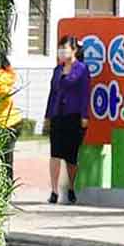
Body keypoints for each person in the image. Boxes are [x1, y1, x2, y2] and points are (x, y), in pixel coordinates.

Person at [44, 35, 90, 204]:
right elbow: (52, 93)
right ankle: (54, 191)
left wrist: (85, 115)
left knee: (71, 156)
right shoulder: (57, 70)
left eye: (65, 48)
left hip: (73, 115)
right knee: (55, 153)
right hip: (58, 115)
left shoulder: (82, 69)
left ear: (74, 50)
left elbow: (85, 94)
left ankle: (70, 187)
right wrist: (48, 115)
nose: (62, 52)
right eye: (60, 49)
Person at [0, 51, 22, 198]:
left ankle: (4, 191)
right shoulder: (8, 75)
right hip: (14, 121)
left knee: (1, 158)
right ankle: (6, 190)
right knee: (6, 158)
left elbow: (0, 95)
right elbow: (11, 71)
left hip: (3, 123)